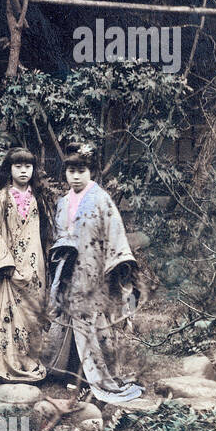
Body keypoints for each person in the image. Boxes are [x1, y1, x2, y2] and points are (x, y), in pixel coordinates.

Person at [43, 144, 143, 405]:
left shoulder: (101, 199)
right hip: (69, 268)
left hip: (94, 268)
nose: (75, 176)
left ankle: (93, 377)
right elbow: (57, 235)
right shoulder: (63, 203)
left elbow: (115, 233)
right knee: (69, 319)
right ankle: (70, 371)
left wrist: (118, 265)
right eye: (71, 171)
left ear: (91, 172)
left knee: (89, 320)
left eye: (81, 171)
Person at [0, 147, 47, 383]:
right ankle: (4, 366)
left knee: (32, 317)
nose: (23, 171)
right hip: (9, 270)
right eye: (18, 166)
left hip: (34, 270)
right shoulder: (0, 199)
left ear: (33, 169)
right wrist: (7, 264)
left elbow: (46, 233)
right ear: (10, 169)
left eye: (27, 166)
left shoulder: (40, 198)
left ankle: (28, 362)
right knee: (7, 316)